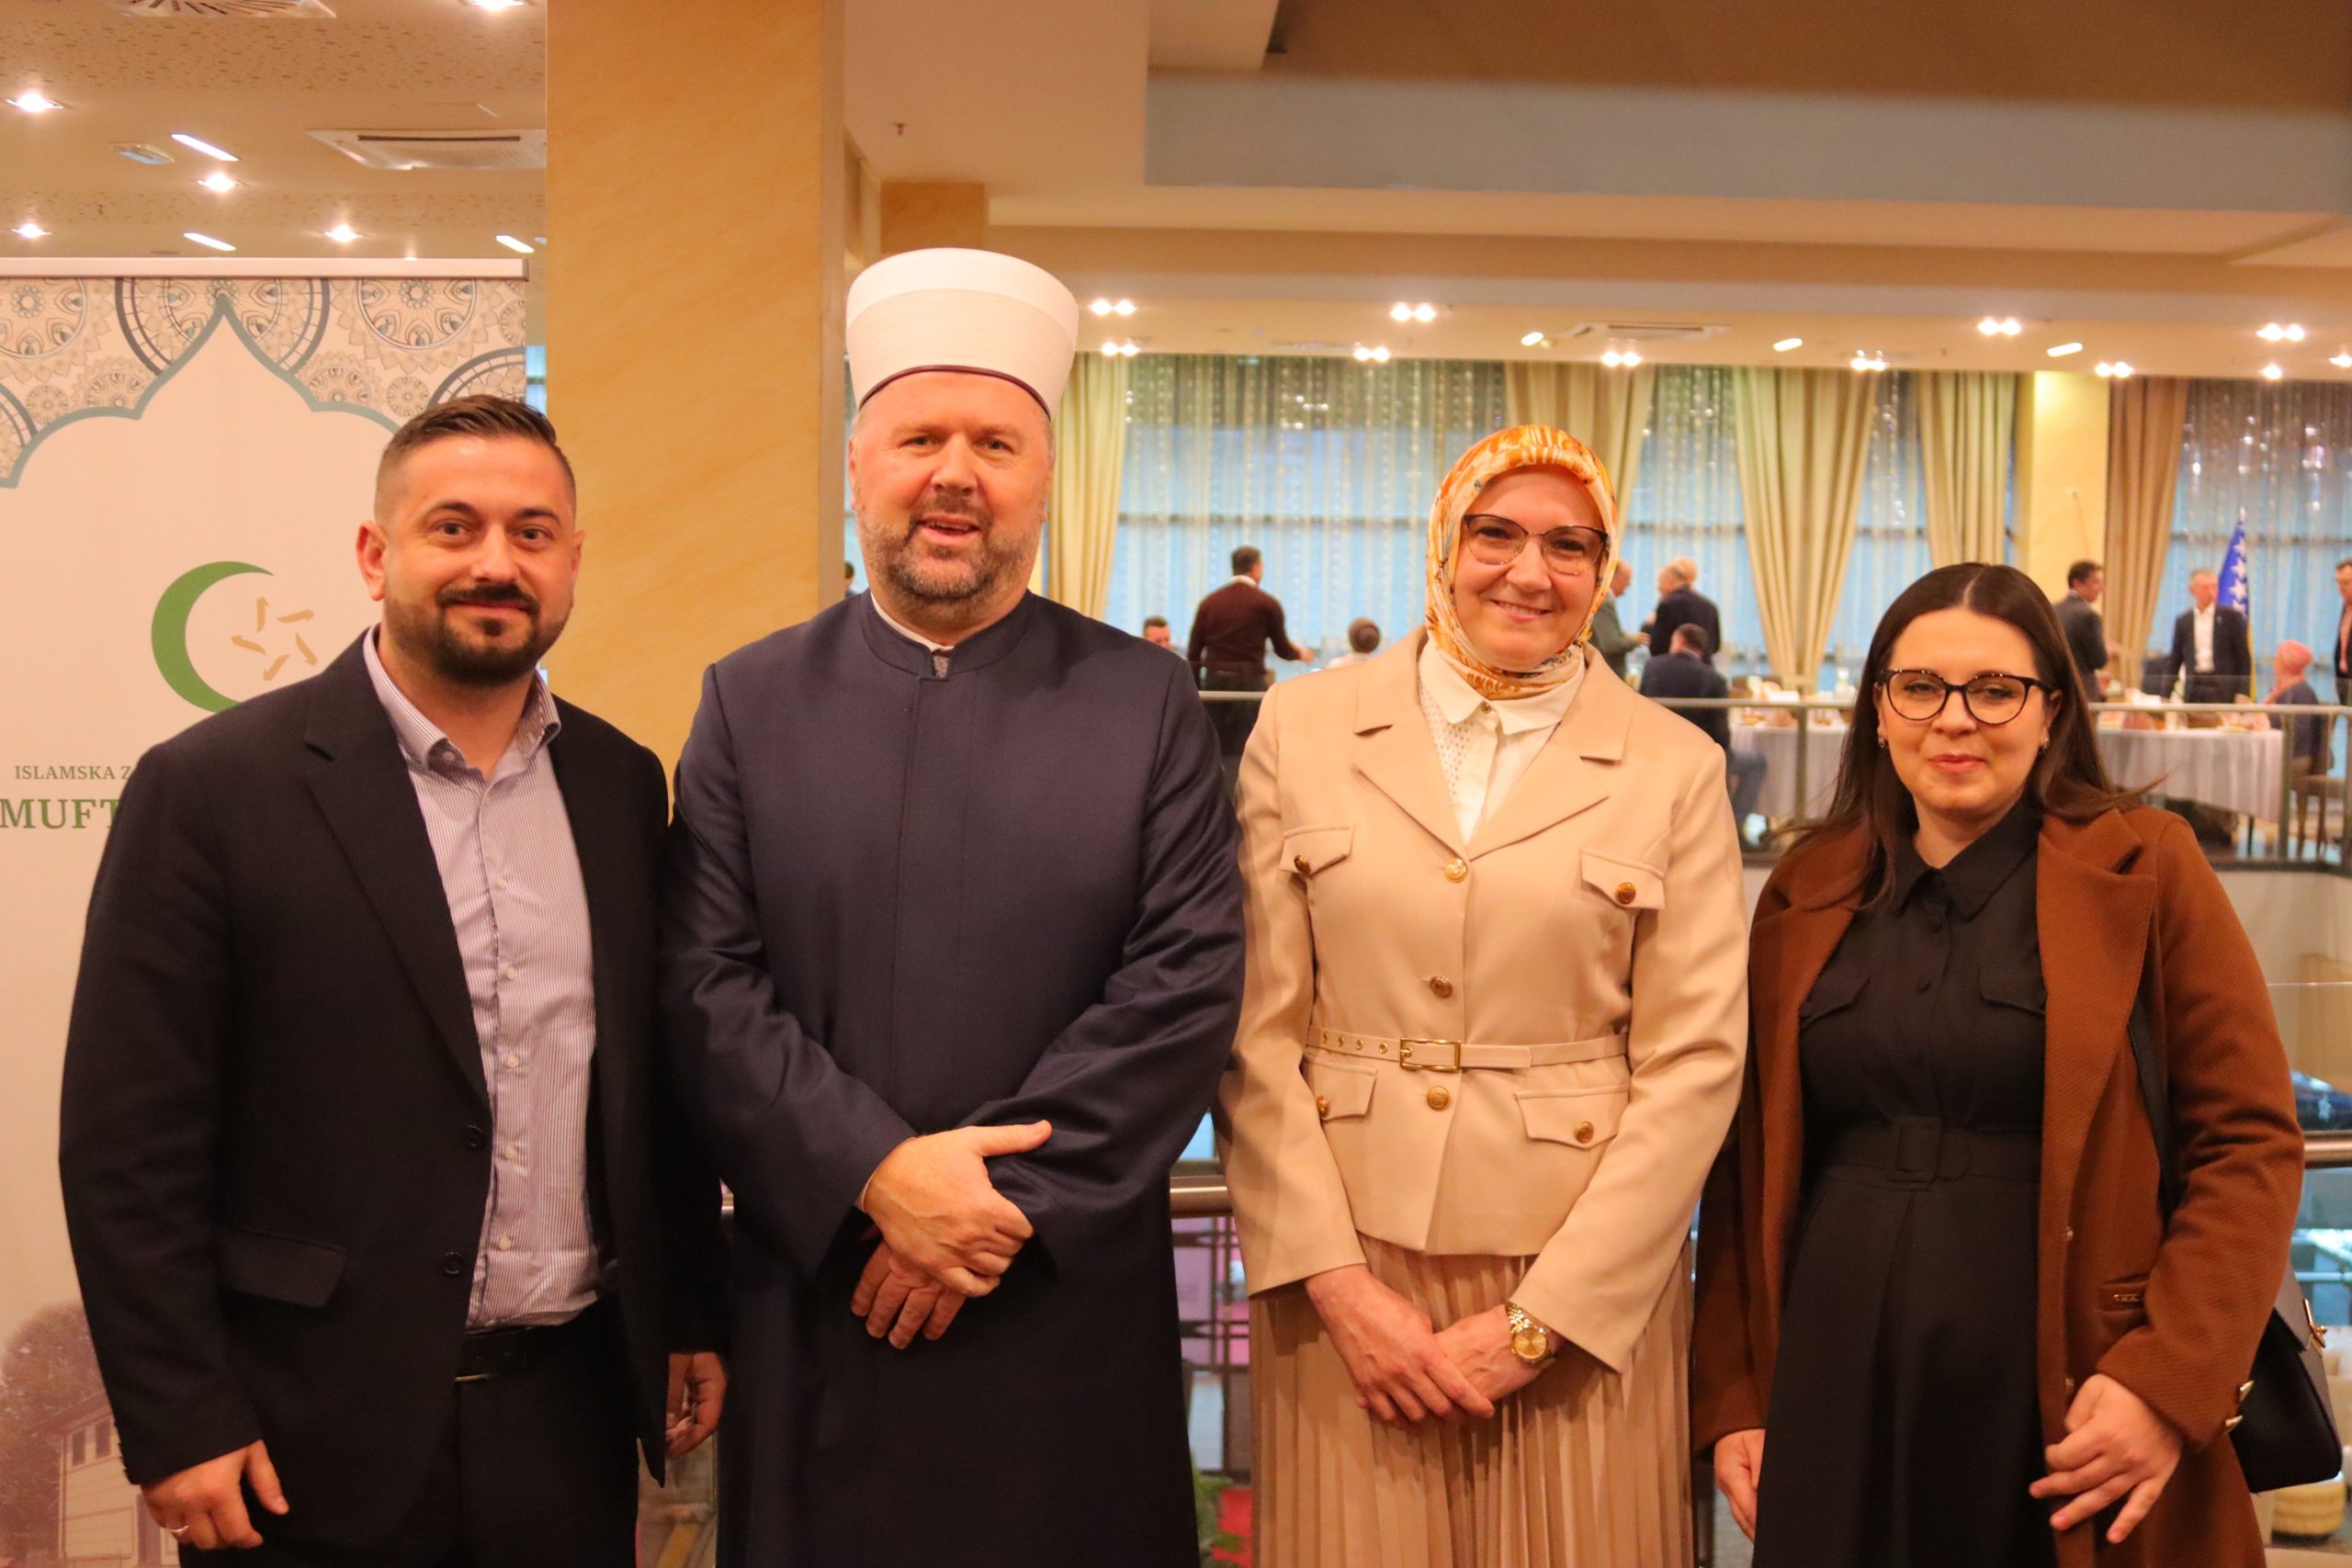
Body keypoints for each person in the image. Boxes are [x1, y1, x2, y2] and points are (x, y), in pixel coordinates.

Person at [59, 395, 728, 1566]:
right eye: (453, 527)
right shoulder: (212, 789)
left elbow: (649, 1087)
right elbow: (129, 1140)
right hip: (302, 1428)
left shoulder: (621, 785)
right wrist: (179, 1412)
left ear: (572, 561)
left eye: (531, 533)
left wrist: (681, 1309)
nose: (495, 563)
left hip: (565, 1417)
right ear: (376, 555)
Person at [662, 246, 1244, 1568]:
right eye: (919, 437)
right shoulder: (751, 699)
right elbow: (704, 985)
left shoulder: (1143, 700)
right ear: (857, 462)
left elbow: (1185, 981)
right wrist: (876, 1174)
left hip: (1053, 1282)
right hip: (827, 1279)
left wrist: (987, 1206)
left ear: (1044, 478)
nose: (955, 474)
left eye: (996, 442)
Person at [1693, 562, 2302, 1568]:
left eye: (1994, 690)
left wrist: (2165, 1381)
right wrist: (1734, 1396)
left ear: (2051, 711)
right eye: (1920, 687)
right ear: (1878, 710)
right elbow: (1740, 1162)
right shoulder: (1804, 889)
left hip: (2072, 1388)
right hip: (1830, 1384)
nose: (1954, 719)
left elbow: (2248, 1144)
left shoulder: (2146, 867)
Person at [1219, 424, 1747, 1567]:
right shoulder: (1304, 729)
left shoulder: (1673, 763)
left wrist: (1539, 1325)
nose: (1528, 572)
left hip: (1582, 1279)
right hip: (1346, 1265)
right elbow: (1255, 1037)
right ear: (1443, 545)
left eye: (1570, 546)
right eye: (1494, 534)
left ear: (1606, 572)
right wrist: (1337, 1286)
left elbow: (1695, 1062)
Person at [1188, 544, 1312, 787]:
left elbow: (1194, 651)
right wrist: (1299, 653)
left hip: (1215, 685)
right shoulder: (1266, 603)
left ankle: (1217, 795)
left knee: (1217, 747)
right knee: (1248, 747)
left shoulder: (1209, 603)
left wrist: (1195, 689)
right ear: (1255, 568)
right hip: (1249, 685)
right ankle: (1244, 797)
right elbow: (1282, 649)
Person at [1643, 624, 1768, 840]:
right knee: (1757, 763)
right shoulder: (1714, 679)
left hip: (1654, 752)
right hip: (1698, 757)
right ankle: (1731, 831)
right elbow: (1721, 732)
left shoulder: (1653, 666)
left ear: (1679, 641)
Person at [2168, 568, 2252, 704]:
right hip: (2194, 686)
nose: (2211, 591)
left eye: (2214, 586)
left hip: (2223, 687)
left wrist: (2243, 692)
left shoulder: (2231, 618)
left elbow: (2243, 658)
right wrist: (2166, 693)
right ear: (2192, 590)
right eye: (2205, 587)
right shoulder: (2184, 621)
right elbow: (2175, 659)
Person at [1646, 557, 1722, 666]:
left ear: (1669, 580)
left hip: (1674, 671)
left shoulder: (1668, 604)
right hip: (1704, 671)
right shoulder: (1710, 607)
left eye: (1660, 582)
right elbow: (1716, 646)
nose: (1658, 588)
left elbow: (1657, 648)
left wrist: (1649, 626)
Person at [2055, 558, 2109, 690]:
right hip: (2081, 689)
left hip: (2055, 685)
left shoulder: (2052, 609)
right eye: (2096, 582)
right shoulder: (2089, 615)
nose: (2101, 588)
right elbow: (2099, 660)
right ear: (2077, 584)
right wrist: (2107, 651)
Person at [1588, 558, 1641, 676]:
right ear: (1613, 576)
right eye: (1627, 579)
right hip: (1606, 673)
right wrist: (1633, 641)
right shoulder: (1603, 601)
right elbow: (1610, 644)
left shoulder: (1601, 598)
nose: (1629, 584)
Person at [2330, 558, 2352, 705]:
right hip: (2345, 681)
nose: (2341, 588)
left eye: (2346, 582)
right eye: (2338, 582)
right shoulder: (2346, 607)